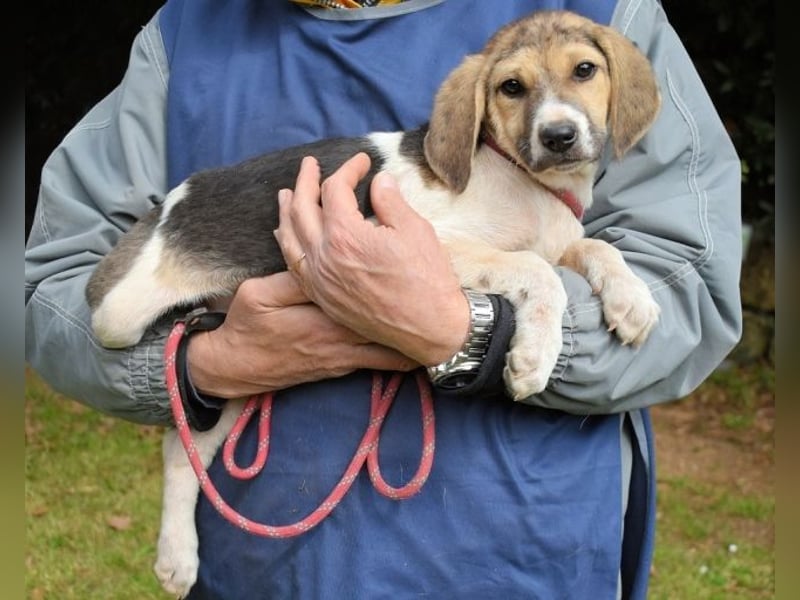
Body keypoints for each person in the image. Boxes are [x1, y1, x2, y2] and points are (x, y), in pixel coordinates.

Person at [25, 0, 742, 598]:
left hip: (523, 565)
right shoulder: (187, 29)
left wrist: (470, 331)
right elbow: (52, 293)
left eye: (580, 76)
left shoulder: (609, 13)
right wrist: (199, 367)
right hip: (260, 571)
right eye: (517, 90)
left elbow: (688, 291)